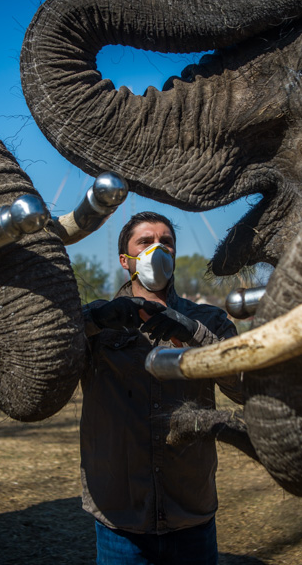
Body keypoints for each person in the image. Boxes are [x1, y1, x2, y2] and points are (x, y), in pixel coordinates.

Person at [80, 211, 243, 565]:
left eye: (166, 242)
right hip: (120, 519)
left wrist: (191, 332)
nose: (158, 249)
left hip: (190, 512)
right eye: (145, 241)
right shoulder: (98, 323)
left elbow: (246, 386)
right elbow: (50, 358)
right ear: (126, 260)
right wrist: (93, 321)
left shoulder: (210, 321)